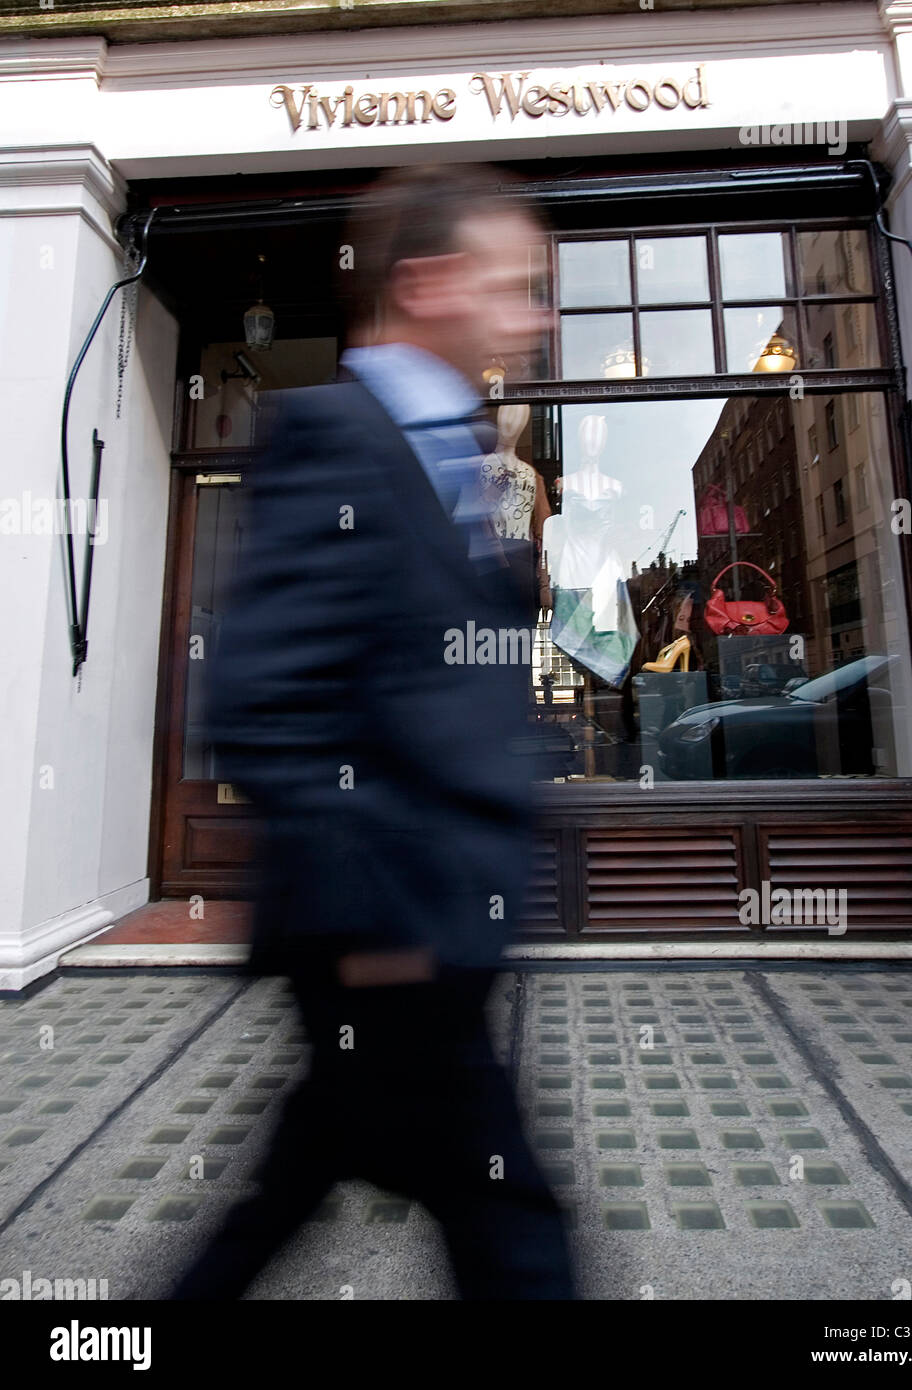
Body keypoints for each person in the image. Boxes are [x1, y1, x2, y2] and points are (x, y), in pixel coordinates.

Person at [169, 164, 576, 1301]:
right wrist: (375, 928)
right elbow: (263, 696)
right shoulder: (335, 433)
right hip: (392, 936)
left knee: (293, 1190)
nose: (535, 314)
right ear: (431, 281)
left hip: (431, 930)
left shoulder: (468, 449)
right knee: (513, 1223)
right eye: (514, 284)